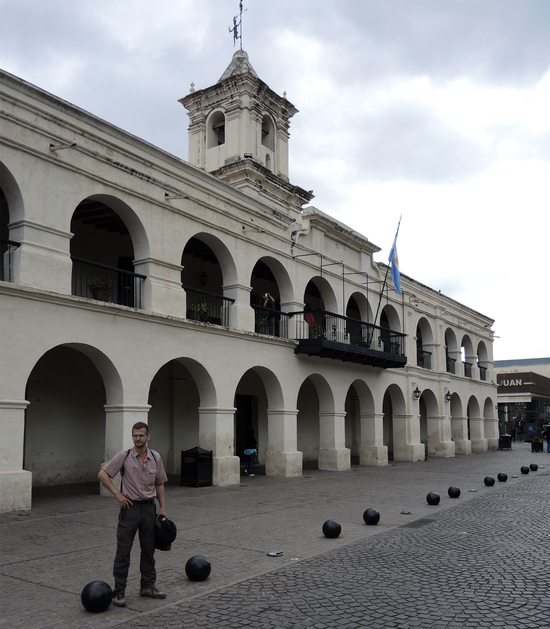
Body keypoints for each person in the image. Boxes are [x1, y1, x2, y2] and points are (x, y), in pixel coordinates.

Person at [97, 422, 168, 607]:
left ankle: (148, 586)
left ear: (148, 437)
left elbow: (160, 483)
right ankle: (119, 591)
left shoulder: (156, 457)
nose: (138, 439)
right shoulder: (125, 455)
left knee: (148, 550)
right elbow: (103, 474)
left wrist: (162, 508)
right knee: (123, 551)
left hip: (149, 509)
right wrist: (117, 494)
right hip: (130, 509)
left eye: (141, 435)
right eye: (135, 435)